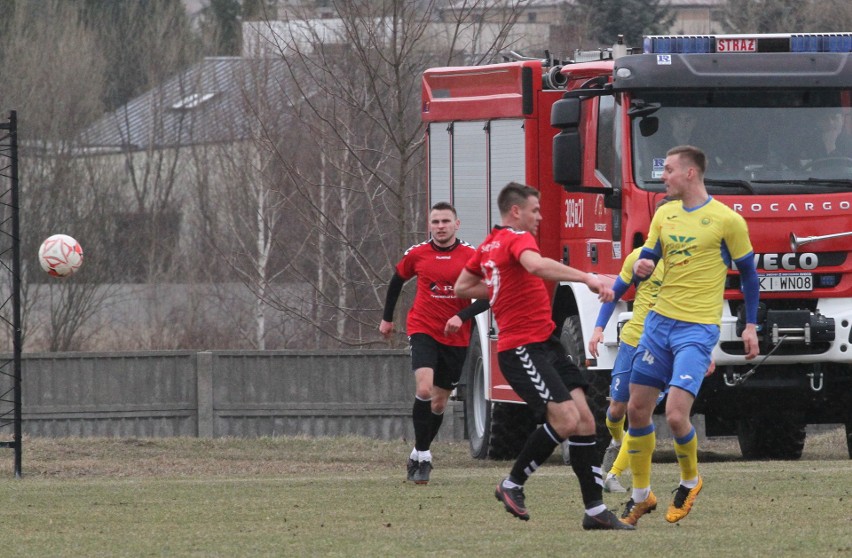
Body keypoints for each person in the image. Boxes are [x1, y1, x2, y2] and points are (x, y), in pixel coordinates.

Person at [454, 182, 631, 531]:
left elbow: (462, 286)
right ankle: (512, 484)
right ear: (516, 211)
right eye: (535, 210)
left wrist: (498, 285)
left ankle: (594, 510)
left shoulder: (488, 246)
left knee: (584, 422)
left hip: (546, 344)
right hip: (521, 348)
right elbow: (536, 266)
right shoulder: (517, 239)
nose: (539, 217)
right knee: (565, 420)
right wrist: (587, 277)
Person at [620, 145, 760, 527]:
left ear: (690, 174)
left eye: (667, 170)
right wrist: (646, 264)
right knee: (636, 410)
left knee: (679, 416)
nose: (662, 177)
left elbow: (749, 275)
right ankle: (640, 495)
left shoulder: (726, 221)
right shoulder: (664, 213)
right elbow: (649, 255)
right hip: (658, 325)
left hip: (696, 329)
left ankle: (690, 481)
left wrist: (750, 325)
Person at [380, 201, 489, 486]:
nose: (440, 227)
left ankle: (418, 451)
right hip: (423, 328)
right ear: (430, 225)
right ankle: (425, 457)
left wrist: (462, 315)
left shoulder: (471, 256)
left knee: (440, 404)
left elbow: (491, 294)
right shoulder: (417, 254)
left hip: (456, 336)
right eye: (436, 222)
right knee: (424, 389)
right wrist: (387, 319)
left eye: (445, 221)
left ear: (457, 224)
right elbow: (396, 282)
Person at [588, 242, 666, 494]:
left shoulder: (688, 261)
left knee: (639, 412)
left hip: (662, 348)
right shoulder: (638, 258)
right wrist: (598, 329)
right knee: (616, 409)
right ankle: (617, 441)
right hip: (632, 342)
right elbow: (615, 293)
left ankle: (614, 474)